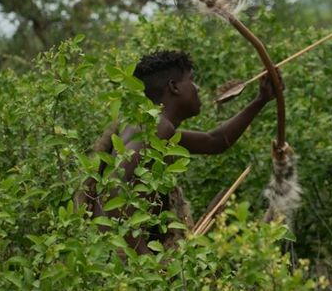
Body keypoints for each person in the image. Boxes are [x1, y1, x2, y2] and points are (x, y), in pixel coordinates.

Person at [76, 50, 279, 254]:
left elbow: (214, 141)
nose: (197, 87)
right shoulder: (156, 127)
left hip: (108, 253)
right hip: (118, 261)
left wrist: (261, 99)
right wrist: (151, 270)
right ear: (173, 87)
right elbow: (113, 198)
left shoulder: (150, 125)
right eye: (191, 80)